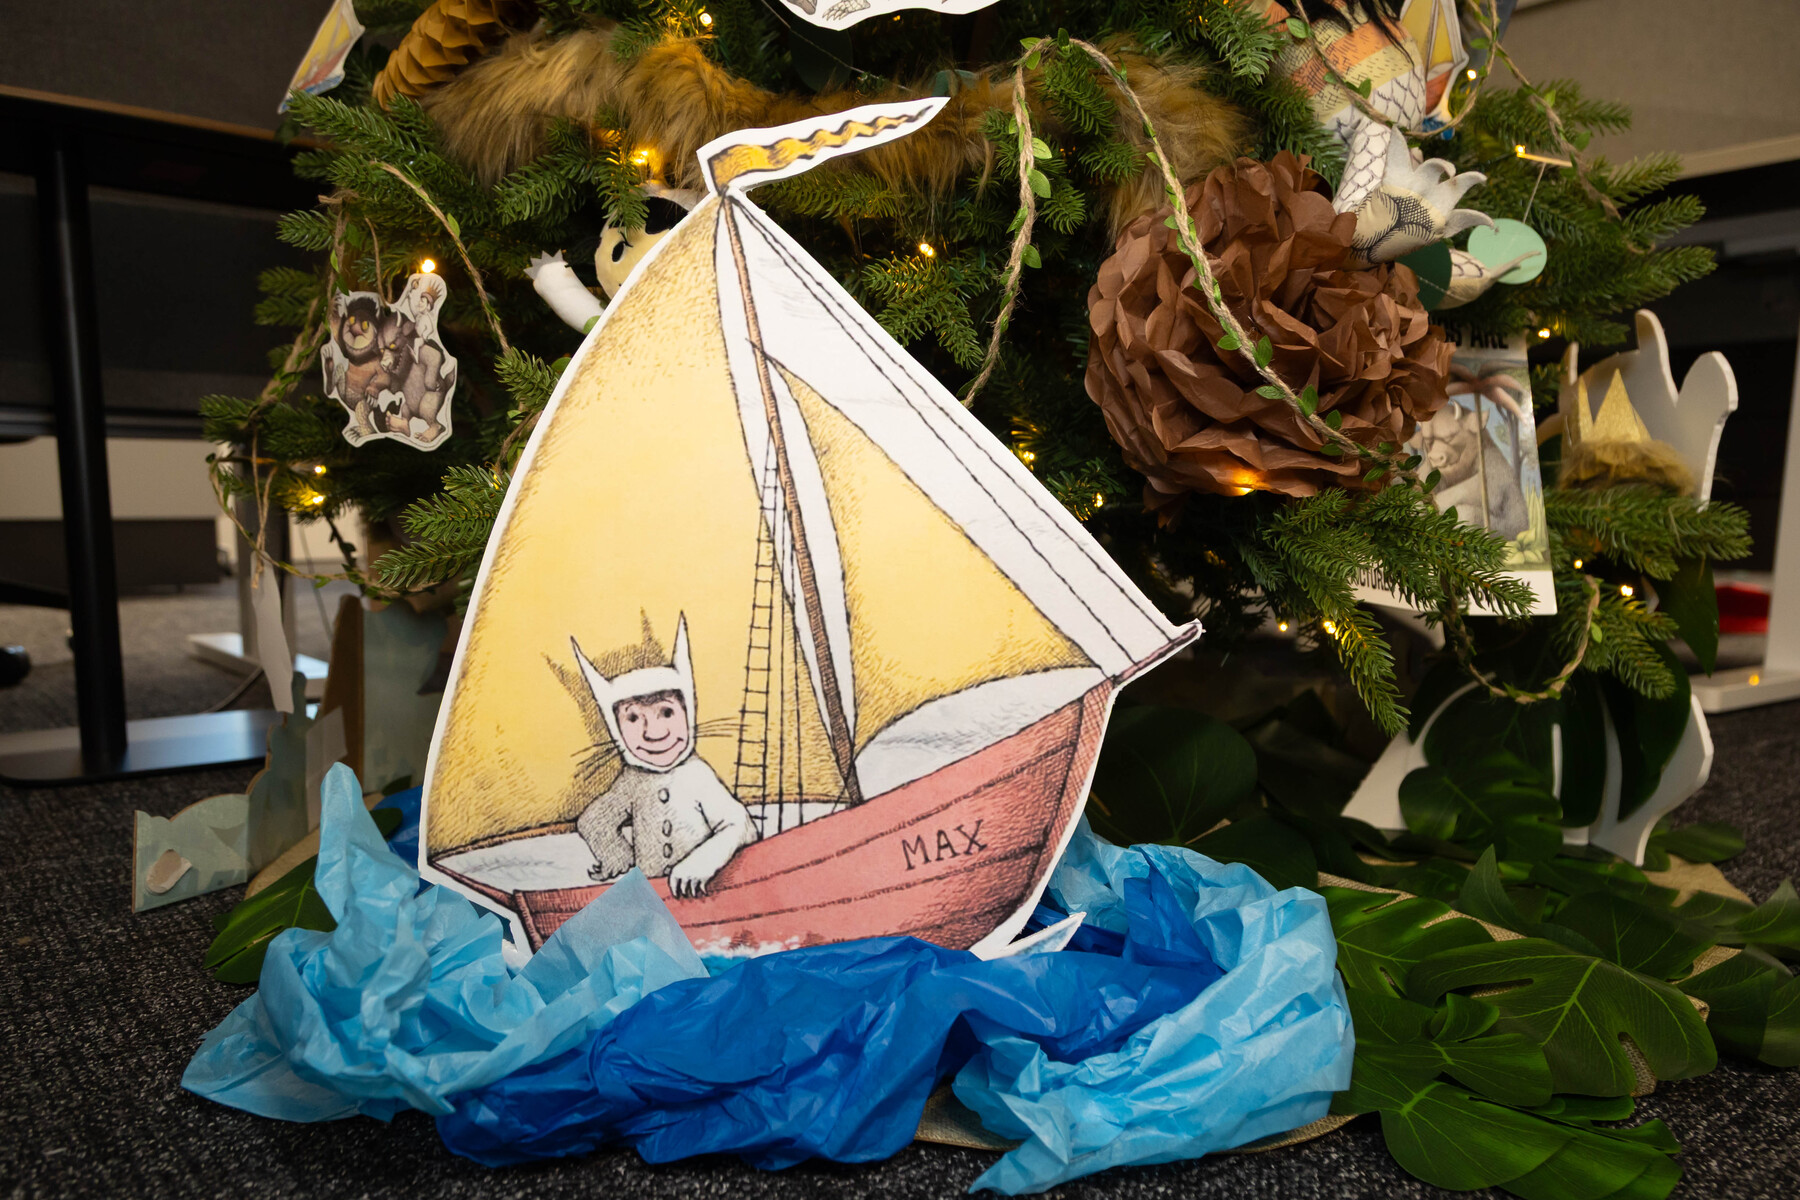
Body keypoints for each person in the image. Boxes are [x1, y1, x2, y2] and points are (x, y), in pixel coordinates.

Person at [570, 616, 757, 897]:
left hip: (703, 894)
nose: (653, 732)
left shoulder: (697, 775)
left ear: (686, 711)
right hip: (653, 898)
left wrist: (701, 862)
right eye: (634, 718)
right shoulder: (632, 781)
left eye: (666, 712)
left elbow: (740, 826)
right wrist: (619, 861)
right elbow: (594, 821)